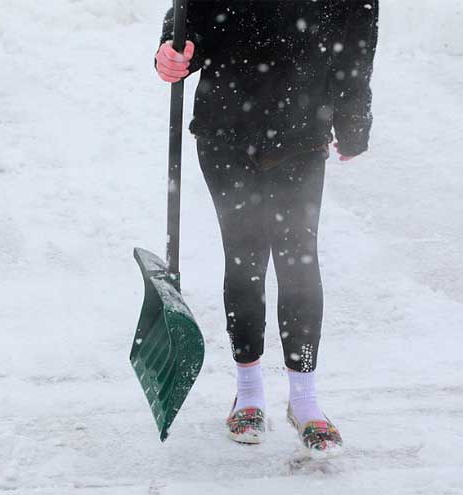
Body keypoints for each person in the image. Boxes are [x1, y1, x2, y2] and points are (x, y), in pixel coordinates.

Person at [155, 0, 378, 453]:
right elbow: (190, 17)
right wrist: (174, 51)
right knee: (244, 256)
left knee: (298, 260)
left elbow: (355, 44)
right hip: (225, 128)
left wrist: (353, 121)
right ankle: (249, 392)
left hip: (301, 131)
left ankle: (305, 400)